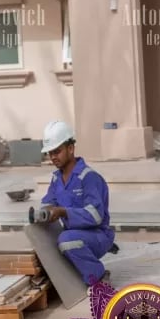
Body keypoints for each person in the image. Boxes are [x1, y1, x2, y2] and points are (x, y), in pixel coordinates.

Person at [40, 120, 115, 287]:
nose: (53, 157)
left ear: (70, 148)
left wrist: (64, 212)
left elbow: (95, 216)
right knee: (51, 241)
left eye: (57, 151)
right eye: (50, 153)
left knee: (66, 240)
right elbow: (48, 202)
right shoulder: (56, 179)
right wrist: (42, 213)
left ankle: (99, 277)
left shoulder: (89, 177)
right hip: (75, 234)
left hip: (98, 235)